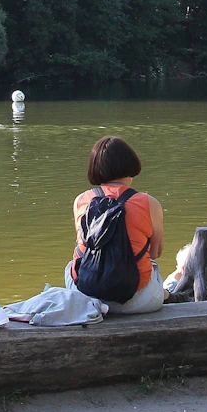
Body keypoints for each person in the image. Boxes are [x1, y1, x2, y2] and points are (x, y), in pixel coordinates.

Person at [66, 135, 165, 315]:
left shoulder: (81, 200)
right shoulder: (149, 203)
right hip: (138, 303)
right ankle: (165, 294)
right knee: (152, 266)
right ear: (131, 164)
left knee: (72, 264)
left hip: (87, 299)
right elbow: (155, 253)